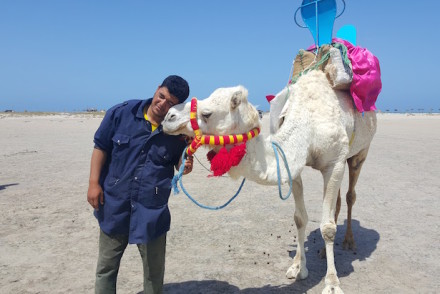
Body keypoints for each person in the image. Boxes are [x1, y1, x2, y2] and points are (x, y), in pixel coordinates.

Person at [87, 75, 193, 294]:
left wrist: (187, 160)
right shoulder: (121, 113)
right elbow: (101, 147)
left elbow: (180, 165)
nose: (162, 104)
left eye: (171, 103)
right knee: (106, 269)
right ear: (157, 89)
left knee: (154, 274)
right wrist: (93, 183)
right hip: (114, 206)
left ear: (178, 106)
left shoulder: (178, 131)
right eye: (161, 96)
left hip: (151, 212)